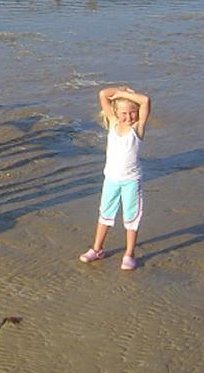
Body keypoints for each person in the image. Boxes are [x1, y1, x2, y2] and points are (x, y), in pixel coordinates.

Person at [79, 86, 151, 270]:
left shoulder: (137, 128)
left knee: (131, 218)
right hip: (111, 179)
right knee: (105, 214)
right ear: (116, 112)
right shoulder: (113, 122)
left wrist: (124, 95)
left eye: (132, 112)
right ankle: (97, 249)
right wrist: (119, 91)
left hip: (131, 181)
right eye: (124, 113)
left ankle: (129, 254)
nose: (128, 117)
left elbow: (145, 101)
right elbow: (103, 94)